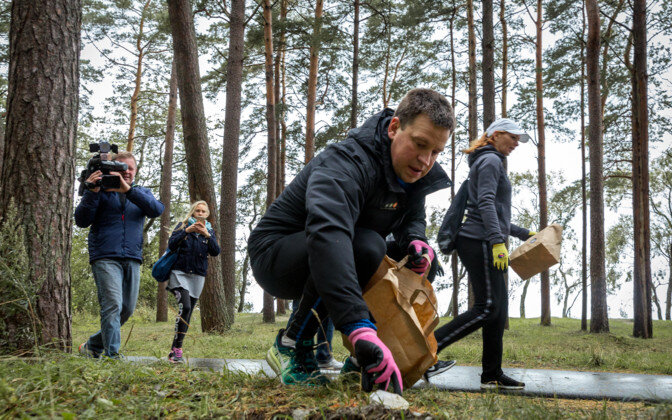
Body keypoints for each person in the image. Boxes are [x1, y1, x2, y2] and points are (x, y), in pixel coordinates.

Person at [248, 88, 455, 395]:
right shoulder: (346, 163)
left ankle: (363, 361)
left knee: (412, 256)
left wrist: (416, 240)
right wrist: (358, 326)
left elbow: (412, 215)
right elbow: (328, 234)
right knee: (367, 246)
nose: (426, 161)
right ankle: (291, 344)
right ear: (394, 127)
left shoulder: (413, 170)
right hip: (277, 255)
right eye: (420, 144)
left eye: (436, 152)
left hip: (341, 246)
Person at [434, 118, 536, 390]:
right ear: (496, 135)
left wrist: (524, 234)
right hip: (479, 241)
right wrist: (496, 242)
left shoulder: (488, 161)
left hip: (484, 239)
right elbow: (487, 203)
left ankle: (492, 374)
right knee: (488, 307)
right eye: (513, 138)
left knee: (498, 312)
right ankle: (427, 350)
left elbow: (493, 212)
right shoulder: (491, 161)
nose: (516, 144)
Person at [75, 150, 164, 359]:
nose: (126, 172)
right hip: (105, 255)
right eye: (120, 167)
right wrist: (91, 190)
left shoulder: (142, 193)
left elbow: (156, 209)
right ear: (111, 170)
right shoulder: (100, 192)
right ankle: (112, 356)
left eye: (129, 168)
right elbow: (81, 220)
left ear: (135, 171)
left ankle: (92, 345)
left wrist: (128, 191)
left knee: (126, 309)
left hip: (132, 257)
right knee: (113, 304)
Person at [165, 200, 221, 363]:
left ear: (207, 214)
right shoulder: (182, 226)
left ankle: (175, 349)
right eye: (198, 210)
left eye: (204, 211)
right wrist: (186, 231)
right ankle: (177, 351)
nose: (201, 213)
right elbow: (172, 244)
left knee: (187, 313)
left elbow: (216, 252)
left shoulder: (209, 231)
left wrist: (208, 235)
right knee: (186, 306)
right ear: (193, 212)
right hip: (179, 273)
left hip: (198, 276)